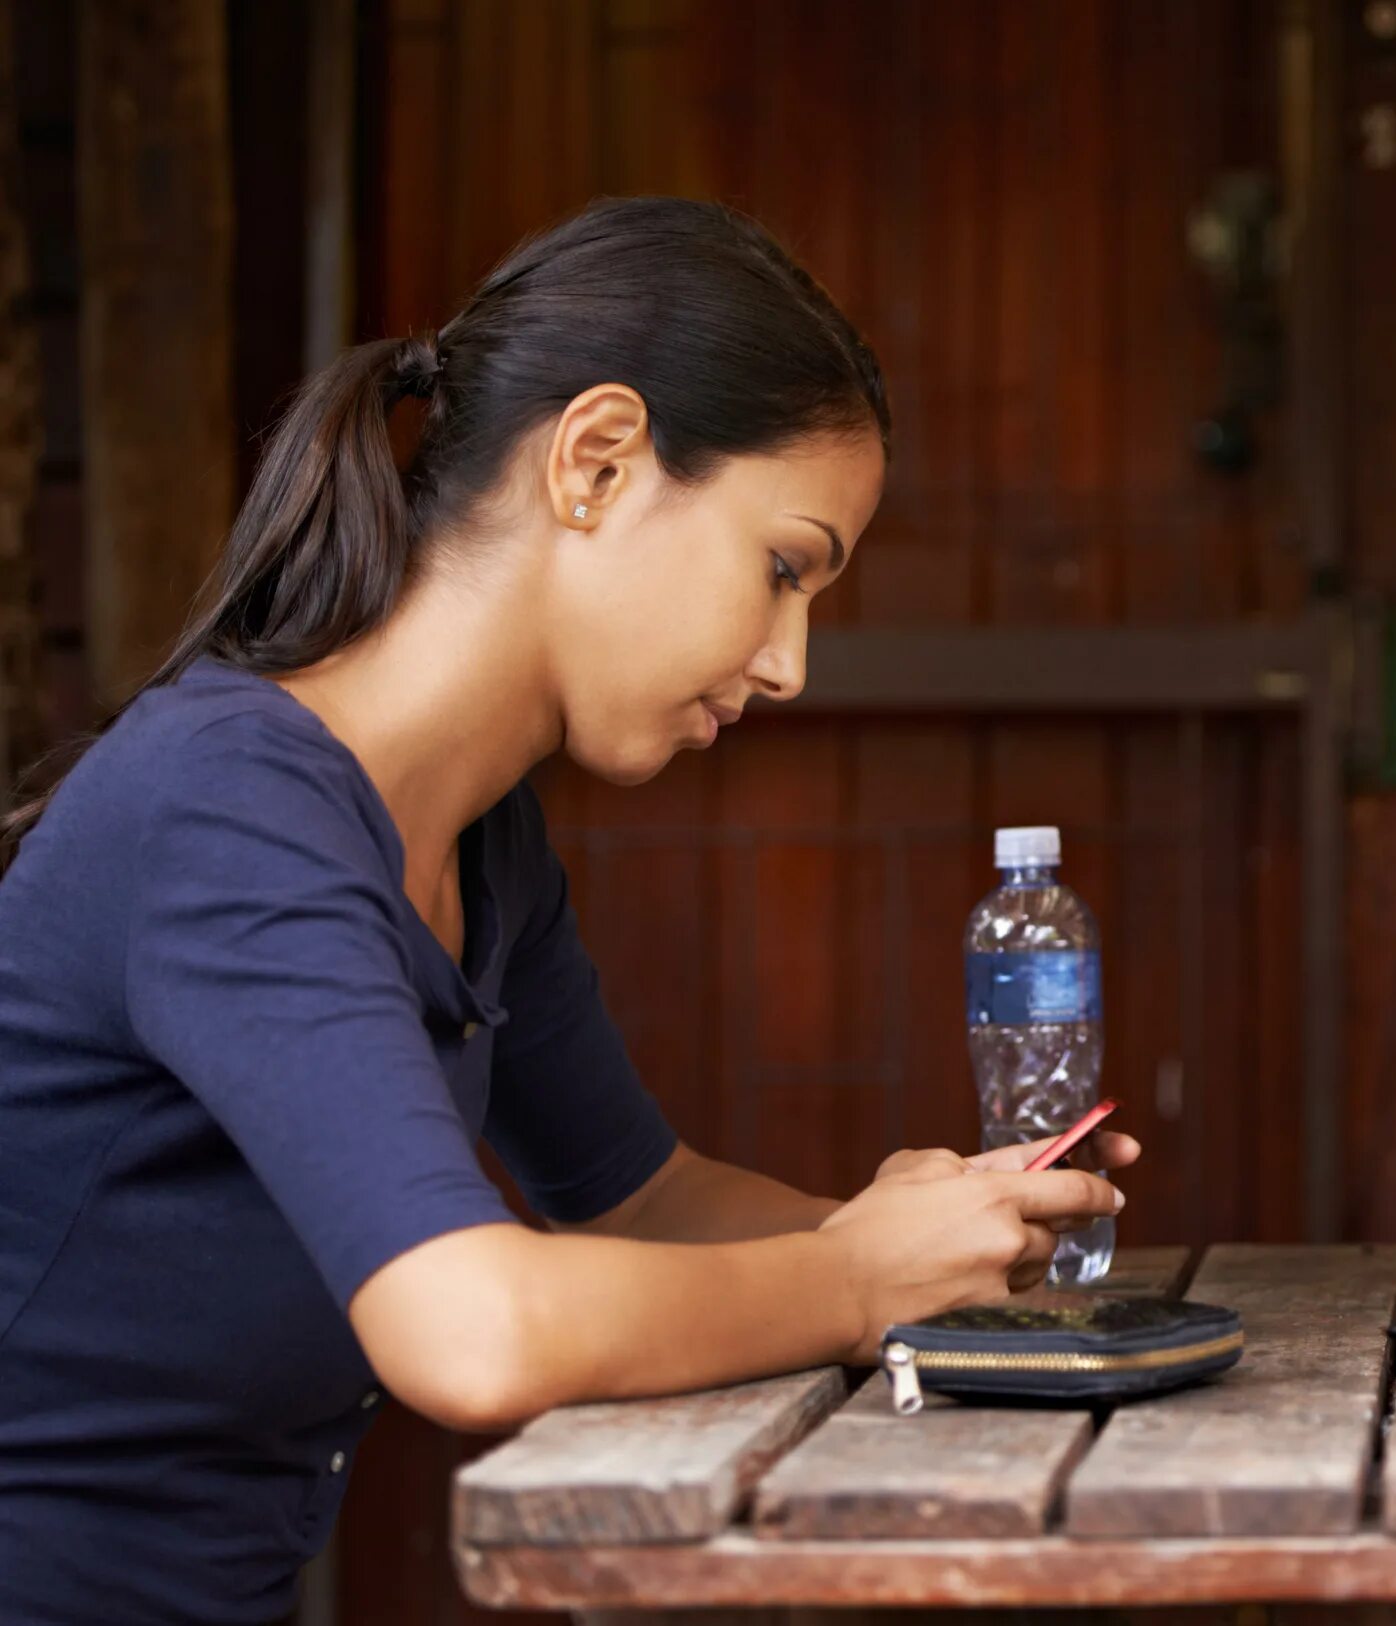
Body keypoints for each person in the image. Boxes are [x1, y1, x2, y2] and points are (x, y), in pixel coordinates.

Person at [0, 197, 1132, 1624]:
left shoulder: (484, 844)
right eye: (783, 567)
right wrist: (850, 1279)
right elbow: (469, 1329)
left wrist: (940, 1239)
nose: (789, 665)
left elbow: (643, 1196)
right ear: (595, 461)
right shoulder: (228, 810)